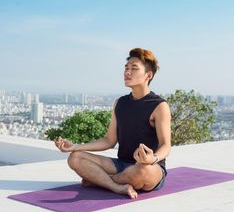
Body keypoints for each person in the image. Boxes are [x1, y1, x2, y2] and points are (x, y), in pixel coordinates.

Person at [55, 48, 171, 199]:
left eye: (134, 68)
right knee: (75, 158)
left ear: (148, 75)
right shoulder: (120, 103)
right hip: (120, 164)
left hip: (150, 167)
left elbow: (166, 145)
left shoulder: (159, 106)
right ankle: (116, 187)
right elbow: (109, 141)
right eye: (126, 68)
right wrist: (76, 147)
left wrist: (152, 158)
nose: (127, 72)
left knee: (141, 171)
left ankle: (98, 181)